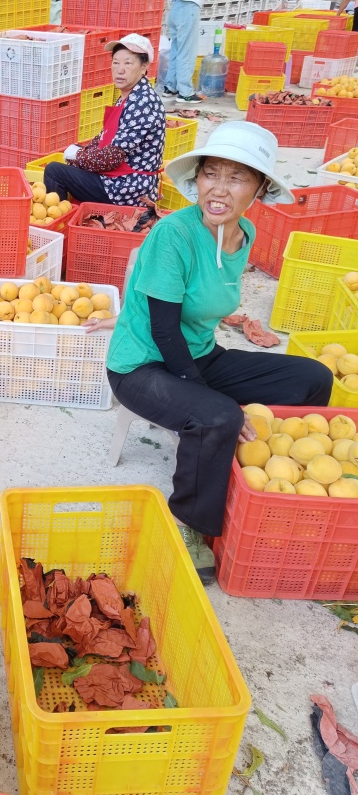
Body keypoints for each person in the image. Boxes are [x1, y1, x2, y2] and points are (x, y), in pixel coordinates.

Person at [101, 121, 333, 581]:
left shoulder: (242, 235)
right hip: (141, 365)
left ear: (259, 188)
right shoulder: (175, 235)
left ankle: (267, 471)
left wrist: (209, 388)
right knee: (217, 415)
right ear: (197, 178)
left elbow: (205, 309)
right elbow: (165, 330)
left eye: (237, 177)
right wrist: (214, 400)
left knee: (313, 378)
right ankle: (191, 522)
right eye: (211, 173)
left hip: (199, 355)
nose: (219, 189)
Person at [43, 34, 165, 206]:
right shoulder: (128, 96)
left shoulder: (143, 102)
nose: (120, 69)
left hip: (128, 187)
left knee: (54, 171)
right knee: (71, 165)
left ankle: (58, 223)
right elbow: (102, 140)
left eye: (128, 63)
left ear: (144, 66)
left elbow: (110, 158)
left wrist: (78, 155)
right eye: (115, 62)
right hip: (119, 179)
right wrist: (80, 153)